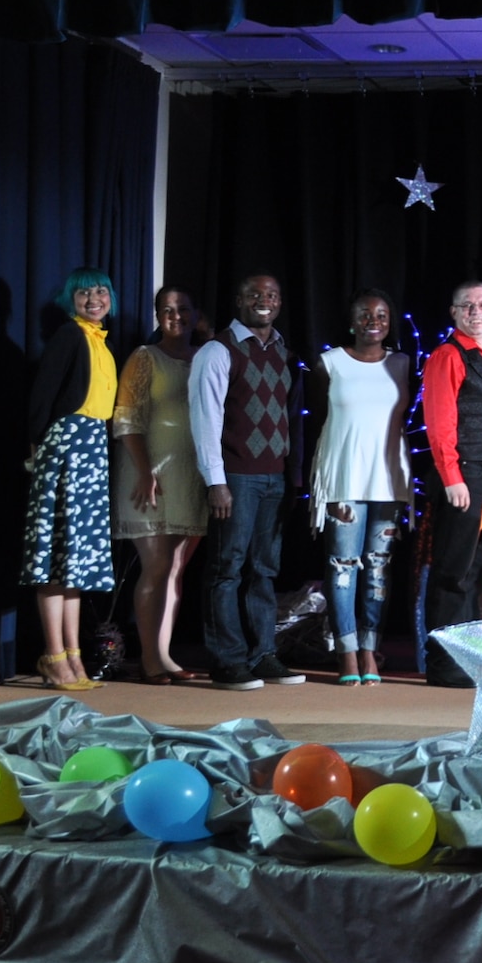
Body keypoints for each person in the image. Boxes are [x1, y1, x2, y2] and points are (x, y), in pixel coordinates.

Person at [189, 271, 305, 691]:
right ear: (238, 301)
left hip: (273, 478)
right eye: (254, 293)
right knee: (227, 568)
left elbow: (286, 420)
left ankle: (262, 654)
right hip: (235, 479)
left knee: (263, 570)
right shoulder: (218, 351)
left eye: (272, 294)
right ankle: (227, 661)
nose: (265, 300)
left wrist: (289, 476)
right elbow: (206, 420)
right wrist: (215, 481)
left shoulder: (279, 351)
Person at [21, 267, 121, 691]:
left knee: (75, 563)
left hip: (93, 448)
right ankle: (54, 655)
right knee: (56, 554)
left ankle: (74, 656)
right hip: (66, 445)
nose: (94, 298)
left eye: (101, 291)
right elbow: (42, 396)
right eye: (84, 293)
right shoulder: (70, 336)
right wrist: (36, 447)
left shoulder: (102, 342)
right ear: (71, 300)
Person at [308, 289, 411, 687]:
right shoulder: (328, 363)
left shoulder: (402, 363)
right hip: (343, 478)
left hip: (388, 481)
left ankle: (370, 646)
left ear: (390, 322)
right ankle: (346, 651)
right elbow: (318, 419)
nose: (373, 320)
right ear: (352, 321)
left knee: (379, 572)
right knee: (342, 569)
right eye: (365, 314)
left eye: (382, 315)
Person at [111, 285, 208, 684]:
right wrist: (146, 470)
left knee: (176, 571)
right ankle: (149, 657)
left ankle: (164, 655)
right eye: (167, 310)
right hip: (149, 475)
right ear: (156, 316)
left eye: (183, 309)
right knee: (156, 567)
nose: (176, 316)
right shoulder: (144, 357)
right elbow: (126, 419)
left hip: (191, 476)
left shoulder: (206, 357)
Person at [420, 280, 482, 687]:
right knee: (453, 572)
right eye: (466, 305)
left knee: (476, 571)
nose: (476, 311)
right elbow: (439, 424)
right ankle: (441, 663)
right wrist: (452, 477)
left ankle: (466, 656)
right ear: (454, 313)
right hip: (463, 476)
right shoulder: (447, 356)